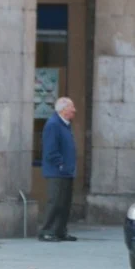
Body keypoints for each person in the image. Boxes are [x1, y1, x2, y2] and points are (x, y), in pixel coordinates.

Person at [39, 97, 78, 243]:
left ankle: (60, 230)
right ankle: (47, 231)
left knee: (65, 203)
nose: (74, 110)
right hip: (56, 171)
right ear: (63, 109)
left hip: (66, 171)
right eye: (71, 107)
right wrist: (61, 163)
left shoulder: (65, 125)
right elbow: (50, 150)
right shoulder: (53, 124)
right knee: (55, 202)